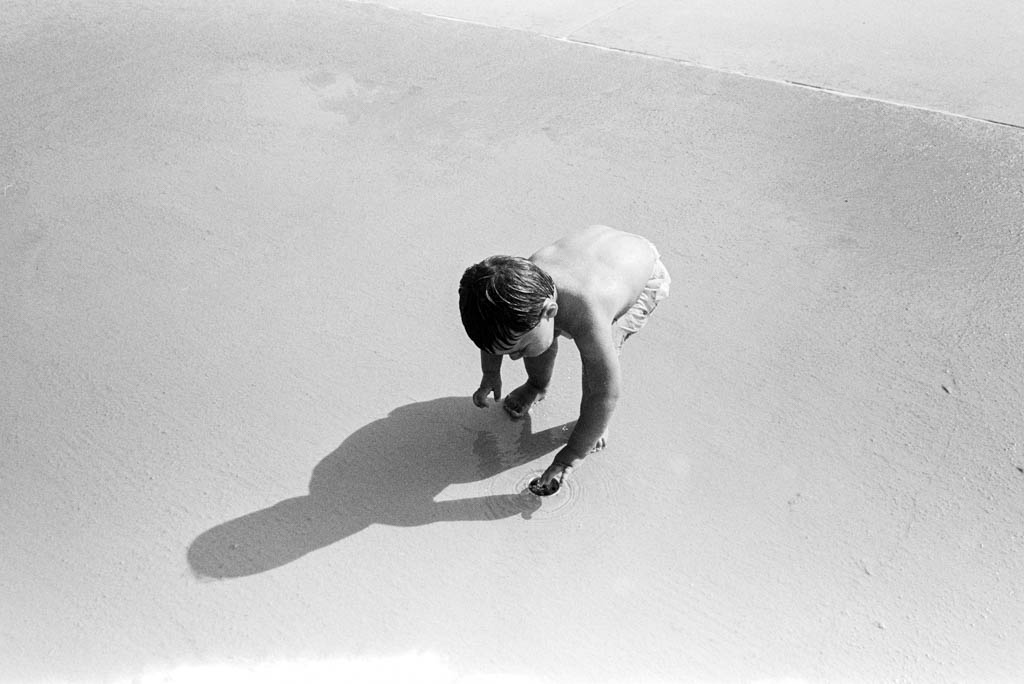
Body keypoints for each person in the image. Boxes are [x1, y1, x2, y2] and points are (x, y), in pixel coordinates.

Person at [458, 225, 670, 495]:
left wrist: (570, 456)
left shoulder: (588, 313)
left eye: (517, 349)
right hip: (594, 255)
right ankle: (537, 385)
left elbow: (604, 393)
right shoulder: (515, 295)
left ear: (551, 311)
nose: (512, 357)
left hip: (641, 274)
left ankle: (597, 426)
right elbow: (495, 334)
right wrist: (490, 373)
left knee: (600, 363)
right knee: (537, 341)